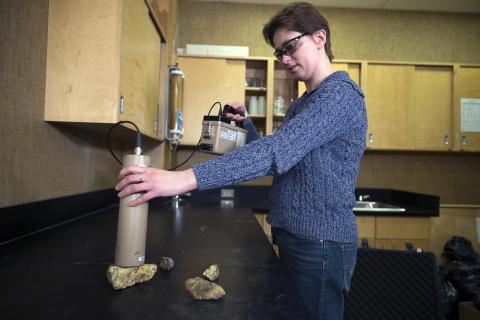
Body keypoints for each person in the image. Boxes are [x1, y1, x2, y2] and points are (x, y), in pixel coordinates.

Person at [115, 2, 367, 319]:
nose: (285, 59)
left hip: (321, 243)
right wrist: (247, 129)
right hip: (296, 237)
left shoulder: (340, 95)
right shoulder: (304, 102)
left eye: (291, 47)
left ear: (320, 37)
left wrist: (182, 179)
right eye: (280, 53)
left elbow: (278, 153)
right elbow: (285, 159)